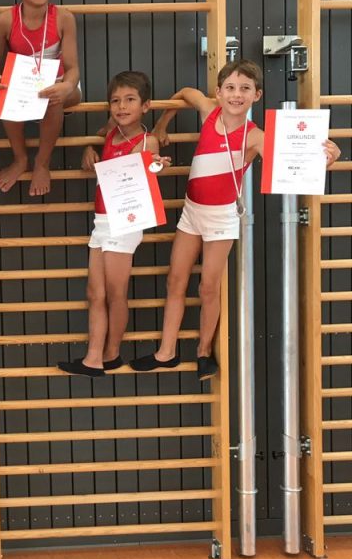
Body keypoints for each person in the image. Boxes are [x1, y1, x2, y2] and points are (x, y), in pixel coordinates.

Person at [130, 60, 341, 380]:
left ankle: (204, 352)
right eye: (230, 88)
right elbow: (185, 92)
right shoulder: (208, 110)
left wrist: (326, 159)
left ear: (257, 95)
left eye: (245, 89)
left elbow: (291, 165)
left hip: (221, 217)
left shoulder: (256, 137)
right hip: (191, 212)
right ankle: (166, 352)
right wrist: (161, 126)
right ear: (218, 92)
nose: (236, 94)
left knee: (208, 287)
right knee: (175, 280)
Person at [59, 71, 168, 377]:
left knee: (115, 292)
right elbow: (100, 145)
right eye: (116, 101)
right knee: (95, 293)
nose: (122, 106)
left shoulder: (146, 140)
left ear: (145, 106)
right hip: (103, 221)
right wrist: (89, 150)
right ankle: (93, 358)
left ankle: (111, 353)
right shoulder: (111, 131)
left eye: (130, 100)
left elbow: (153, 162)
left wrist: (156, 163)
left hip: (126, 222)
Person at [0, 0, 81, 196]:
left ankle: (42, 162)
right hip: (23, 87)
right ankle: (20, 159)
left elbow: (73, 68)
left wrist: (67, 86)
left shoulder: (64, 18)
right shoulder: (5, 21)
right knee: (4, 91)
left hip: (61, 86)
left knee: (52, 96)